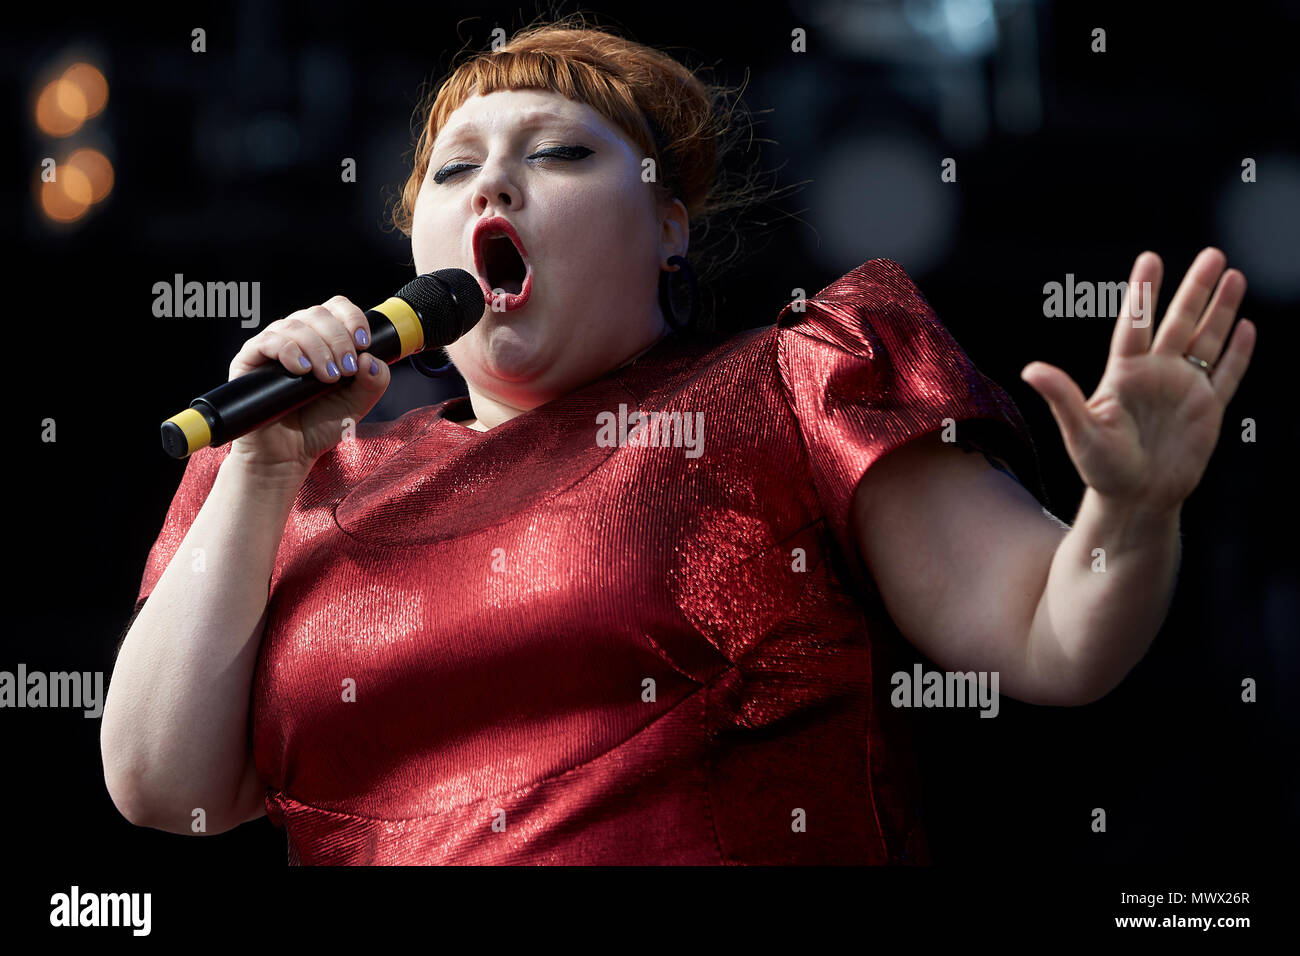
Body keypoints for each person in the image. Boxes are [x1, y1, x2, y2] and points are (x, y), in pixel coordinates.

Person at [101, 17, 1256, 865]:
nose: (492, 176)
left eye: (558, 152)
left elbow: (1052, 637)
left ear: (668, 226)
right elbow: (164, 787)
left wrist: (1131, 512)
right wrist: (259, 470)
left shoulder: (793, 382)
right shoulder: (290, 476)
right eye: (452, 170)